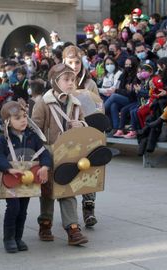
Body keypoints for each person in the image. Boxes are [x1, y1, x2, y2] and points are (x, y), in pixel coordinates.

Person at [32, 63, 89, 245]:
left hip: (70, 154)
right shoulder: (43, 103)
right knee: (47, 191)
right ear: (55, 82)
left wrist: (82, 126)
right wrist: (40, 156)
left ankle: (72, 228)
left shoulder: (76, 104)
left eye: (73, 79)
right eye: (66, 80)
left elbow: (84, 124)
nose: (71, 83)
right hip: (49, 153)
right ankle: (45, 224)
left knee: (68, 189)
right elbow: (35, 130)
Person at [0, 100, 52, 253]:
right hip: (11, 180)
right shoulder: (2, 140)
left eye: (25, 116)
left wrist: (45, 167)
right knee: (13, 207)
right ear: (8, 121)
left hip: (27, 182)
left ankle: (18, 237)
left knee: (23, 209)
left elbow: (44, 153)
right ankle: (9, 238)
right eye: (17, 118)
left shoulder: (33, 137)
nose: (23, 120)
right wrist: (8, 169)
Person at [61, 46, 100, 226]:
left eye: (77, 62)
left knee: (89, 168)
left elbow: (98, 108)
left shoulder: (89, 83)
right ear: (64, 62)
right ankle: (68, 217)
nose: (74, 66)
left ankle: (88, 208)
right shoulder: (58, 80)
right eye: (70, 62)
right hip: (65, 133)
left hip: (86, 132)